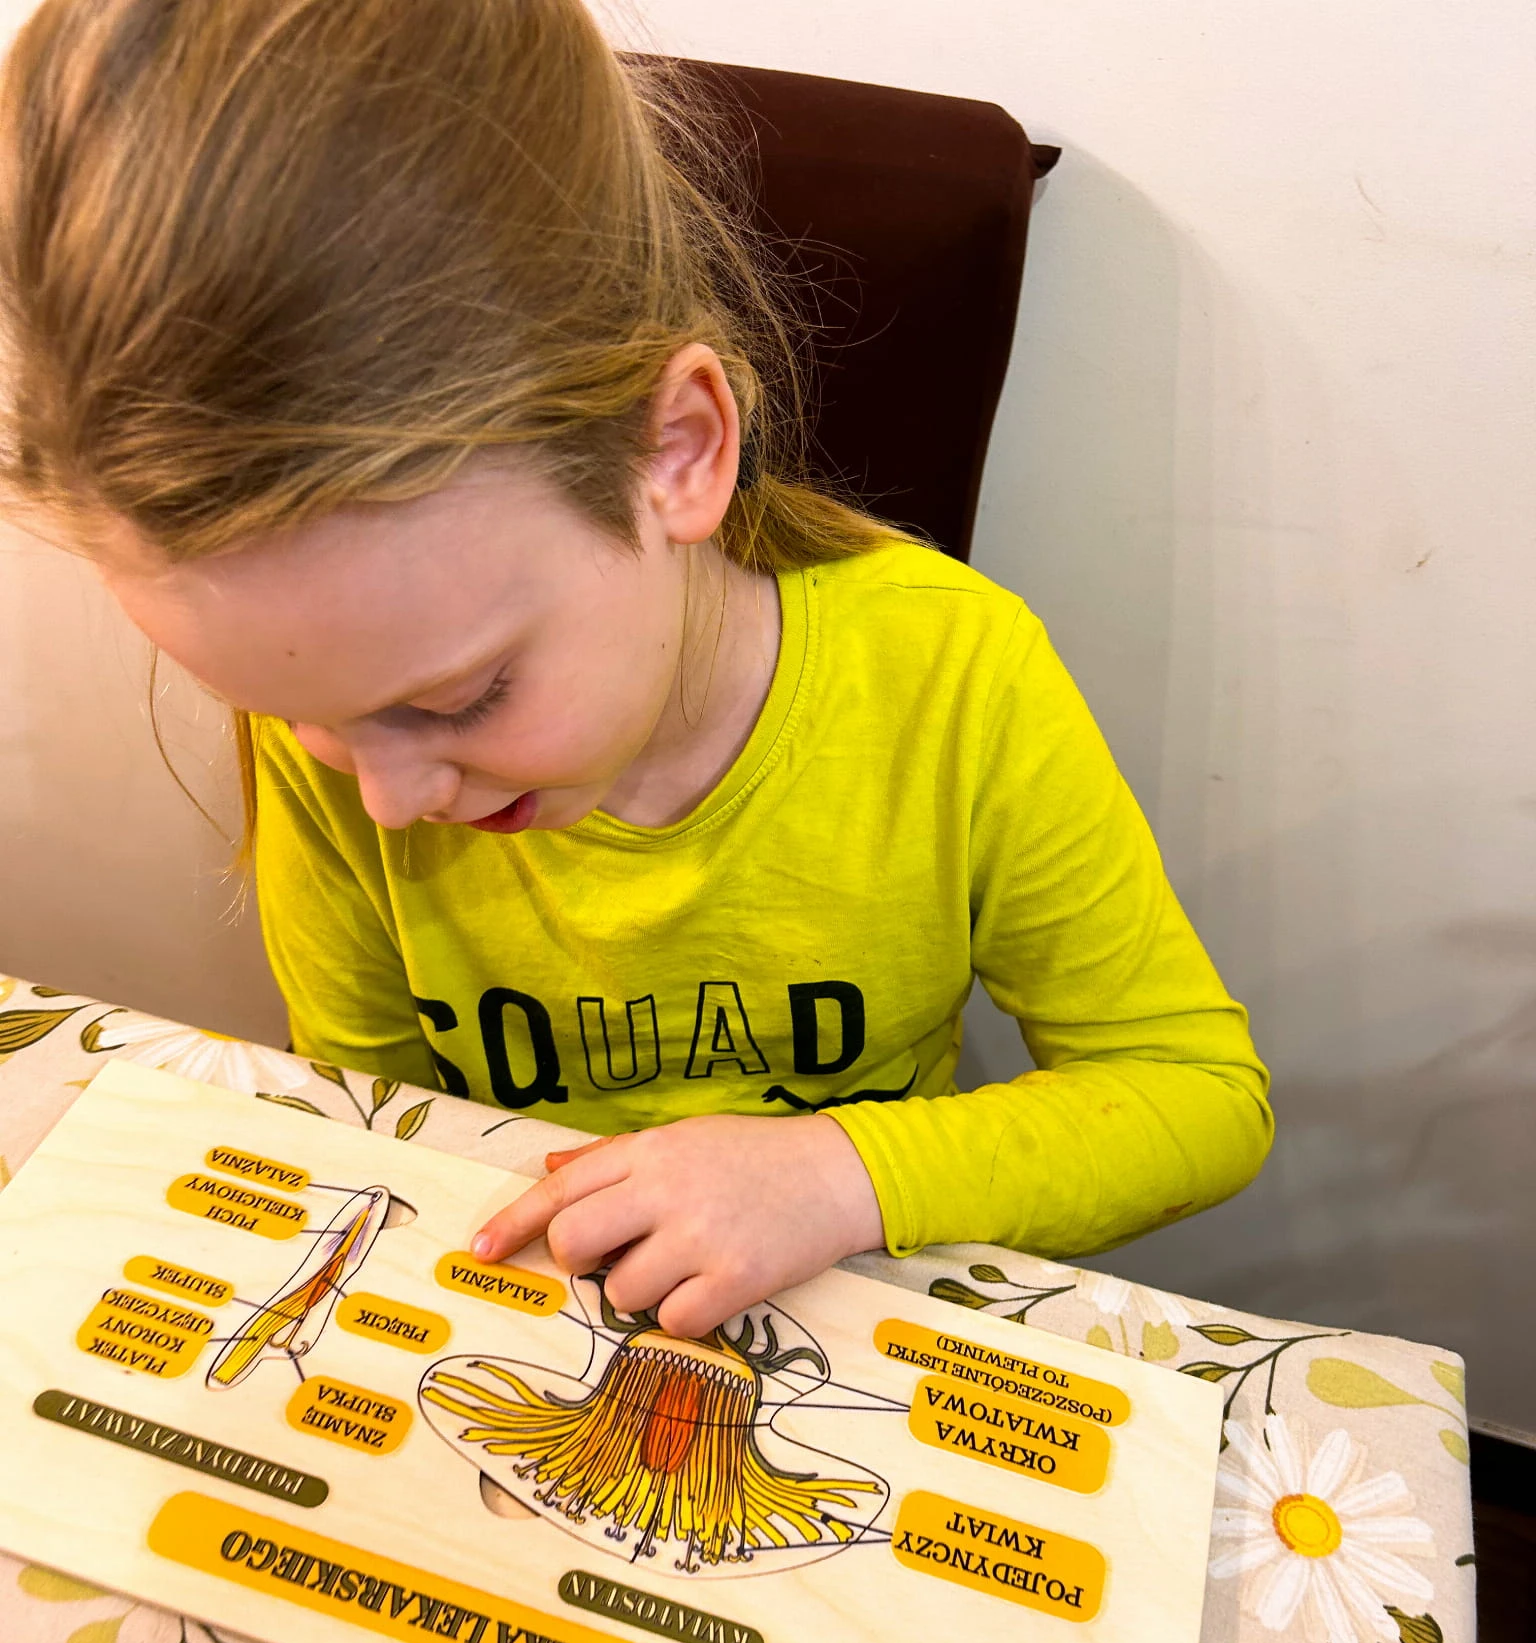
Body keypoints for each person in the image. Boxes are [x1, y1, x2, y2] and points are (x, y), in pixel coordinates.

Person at [0, 0, 1272, 1342]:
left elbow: (1193, 1094)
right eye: (293, 715)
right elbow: (379, 1117)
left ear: (675, 452)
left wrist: (841, 1173)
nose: (385, 798)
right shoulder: (353, 726)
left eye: (460, 699)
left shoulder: (954, 675)